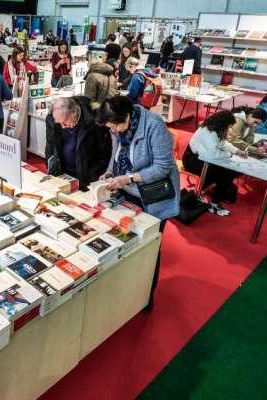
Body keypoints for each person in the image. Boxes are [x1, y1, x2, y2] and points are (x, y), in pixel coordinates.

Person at [96, 96, 179, 312]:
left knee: (149, 246)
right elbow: (116, 153)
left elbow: (163, 167)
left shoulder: (154, 125)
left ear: (127, 116)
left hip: (154, 196)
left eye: (114, 126)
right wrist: (110, 172)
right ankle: (125, 291)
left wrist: (129, 178)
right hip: (127, 190)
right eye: (109, 127)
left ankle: (145, 297)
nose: (112, 131)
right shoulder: (118, 126)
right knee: (125, 240)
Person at [182, 110, 246, 215]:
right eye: (229, 126)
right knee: (225, 173)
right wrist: (229, 155)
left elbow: (222, 144)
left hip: (203, 159)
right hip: (192, 161)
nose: (229, 129)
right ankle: (214, 202)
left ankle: (210, 195)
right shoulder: (208, 132)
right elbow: (211, 154)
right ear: (223, 123)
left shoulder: (216, 129)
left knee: (228, 172)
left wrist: (236, 151)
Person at [44, 96, 111, 190]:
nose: (63, 127)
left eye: (65, 122)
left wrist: (94, 176)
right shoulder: (53, 118)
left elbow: (104, 152)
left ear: (74, 112)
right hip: (63, 172)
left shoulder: (94, 119)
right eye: (59, 123)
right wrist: (50, 166)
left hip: (87, 175)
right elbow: (50, 144)